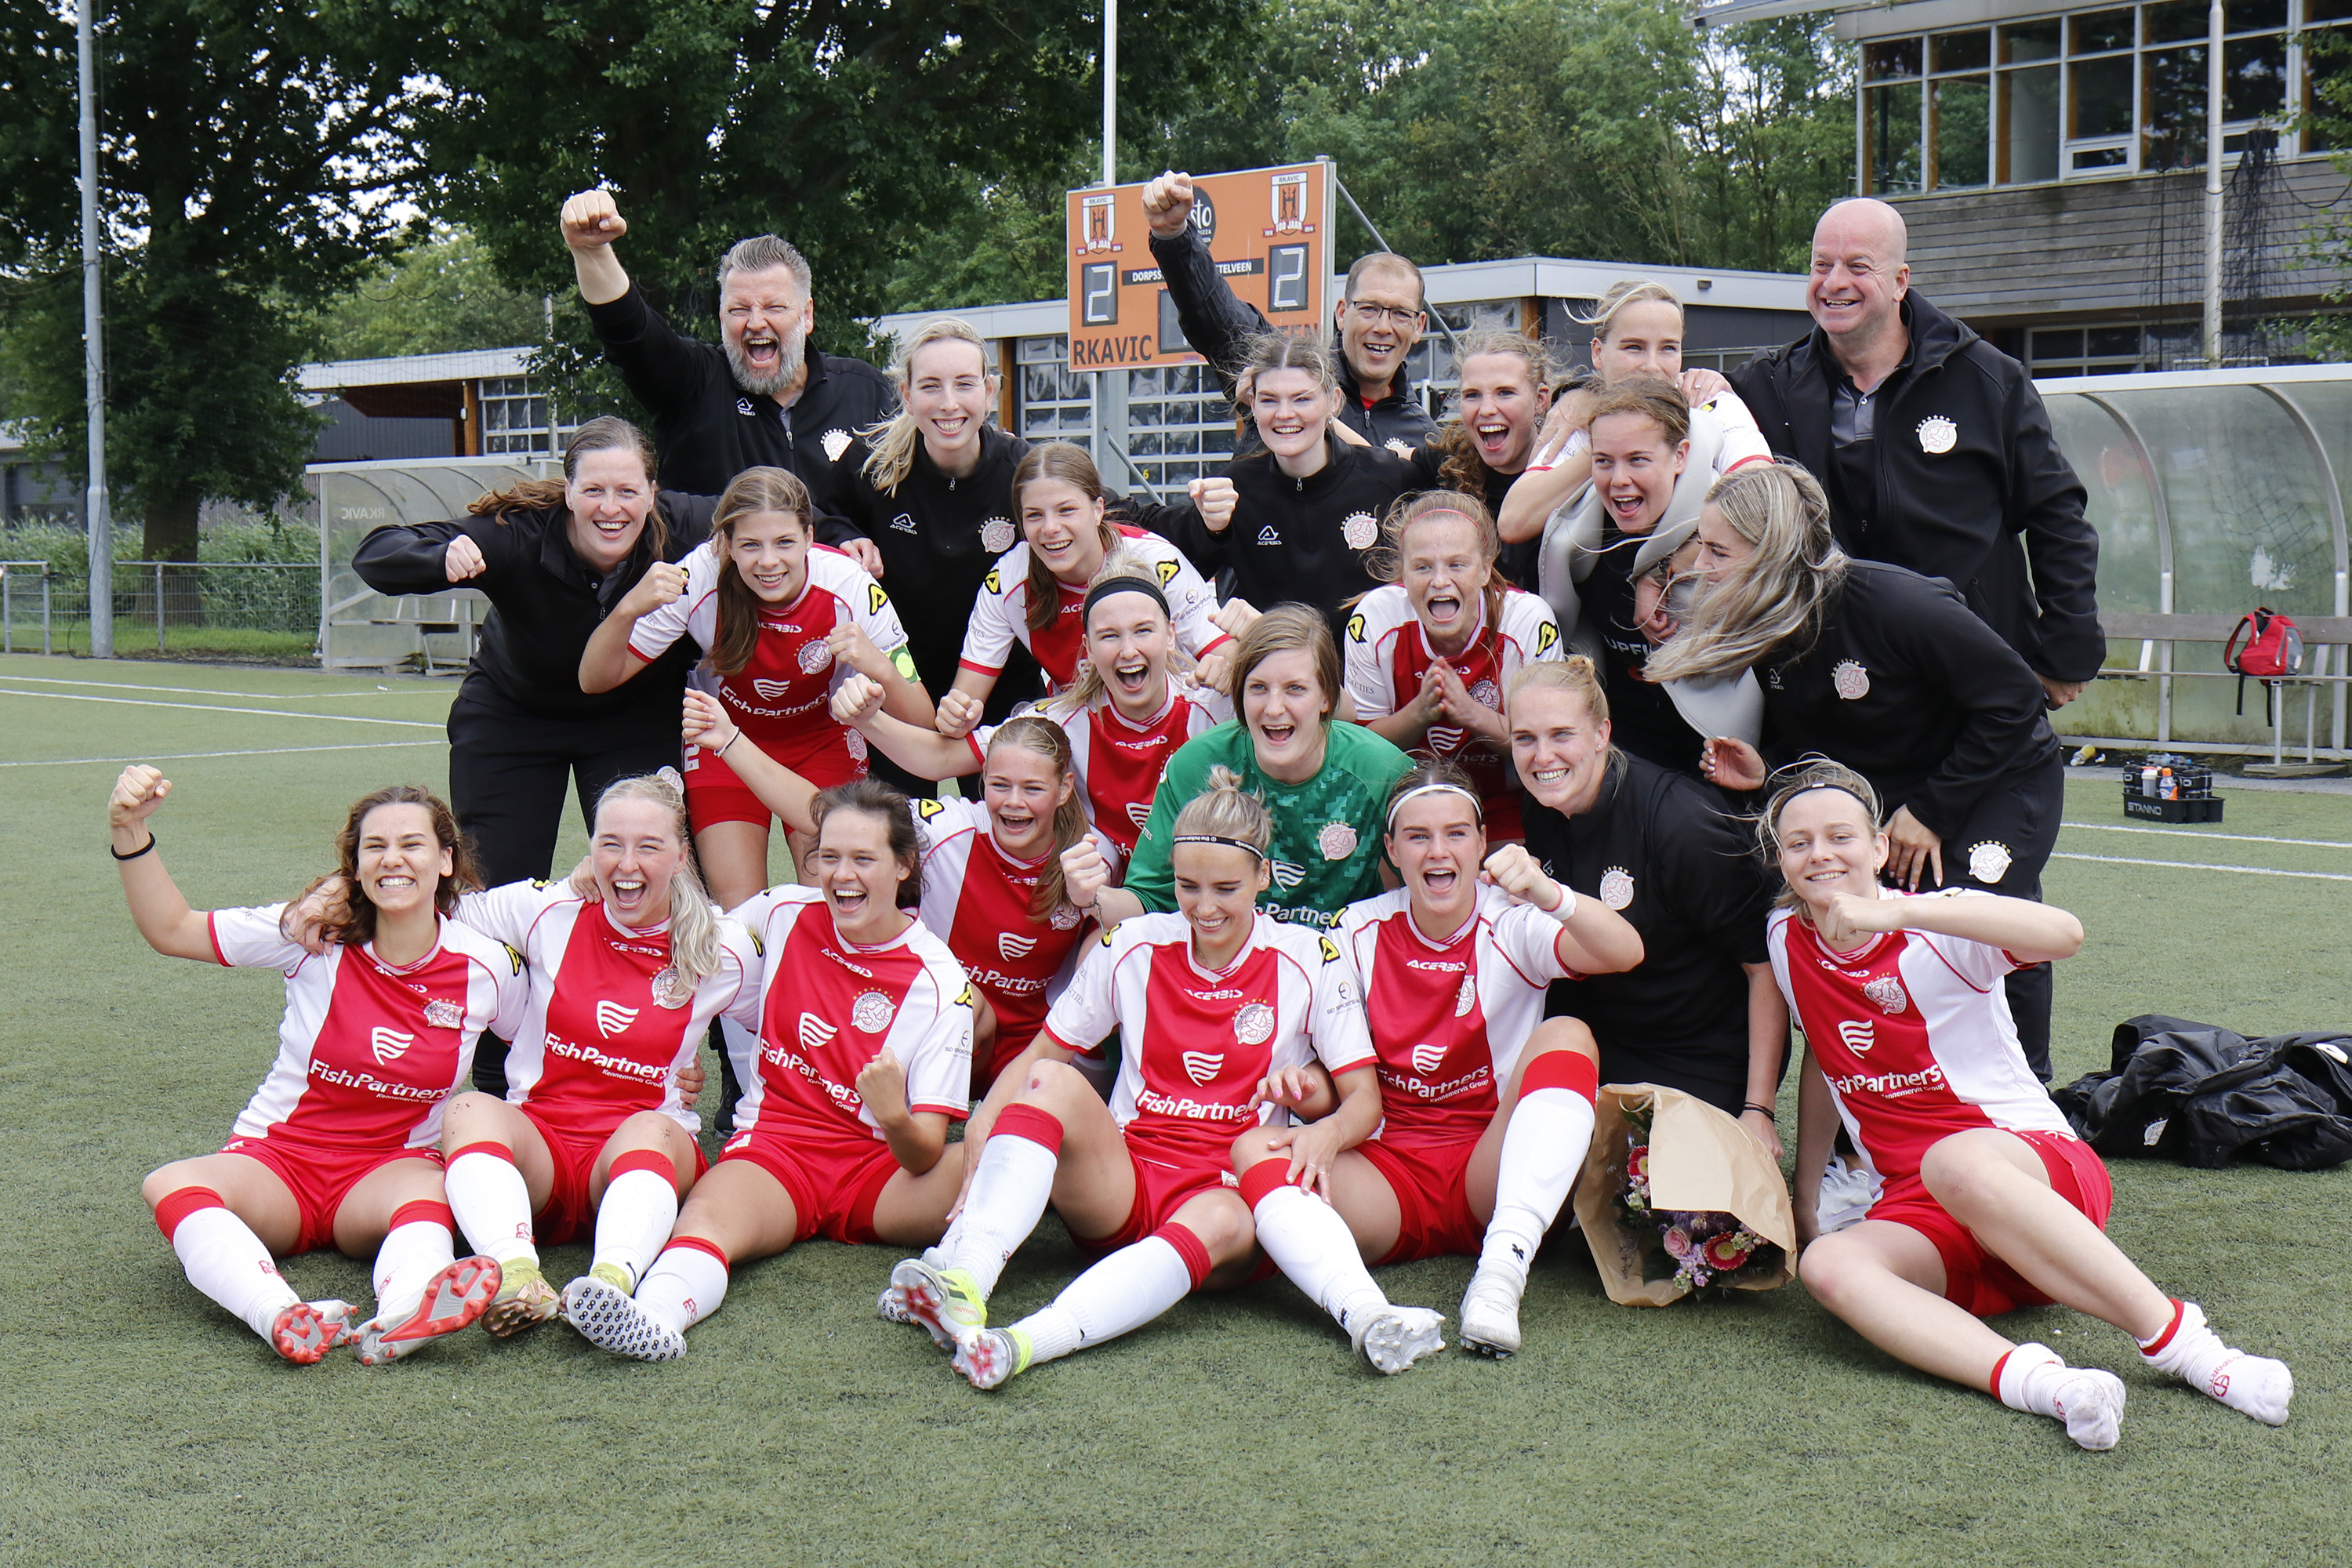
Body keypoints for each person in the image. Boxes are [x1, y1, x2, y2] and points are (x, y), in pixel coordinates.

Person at [1764, 760, 2290, 1450]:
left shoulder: (1938, 928)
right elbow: (1828, 1058)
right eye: (1799, 843)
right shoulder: (1784, 938)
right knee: (1829, 1266)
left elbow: (2064, 934)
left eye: (1841, 836)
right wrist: (1807, 1199)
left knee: (1954, 1161)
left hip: (2034, 1174)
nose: (1821, 854)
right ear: (1781, 859)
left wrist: (1902, 908)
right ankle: (2050, 1387)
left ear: (1879, 846)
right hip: (1928, 1210)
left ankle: (2187, 1347)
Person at [885, 768, 1389, 1386]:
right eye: (1187, 886)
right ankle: (966, 1277)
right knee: (1050, 1082)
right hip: (1123, 1181)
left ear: (1263, 876)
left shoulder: (1311, 957)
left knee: (1223, 1220)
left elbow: (1365, 1101)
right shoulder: (1131, 944)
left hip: (1229, 1190)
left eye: (1226, 888)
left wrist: (1325, 1131)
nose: (1204, 907)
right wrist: (983, 1127)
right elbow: (1043, 1055)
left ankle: (1026, 1343)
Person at [1650, 463, 2067, 1080]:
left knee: (1979, 923)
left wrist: (1932, 811)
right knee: (1876, 937)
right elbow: (1826, 738)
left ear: (1772, 553)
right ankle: (1900, 1098)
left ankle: (2027, 1099)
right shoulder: (1769, 622)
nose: (1700, 566)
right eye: (1701, 546)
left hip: (1998, 779)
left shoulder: (1896, 602)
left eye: (1718, 551)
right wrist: (1769, 771)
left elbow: (2015, 700)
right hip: (1897, 800)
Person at [1233, 764, 1643, 1363]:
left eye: (1456, 833)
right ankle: (1366, 1314)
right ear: (1392, 849)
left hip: (1494, 1170)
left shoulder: (1510, 918)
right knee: (1256, 1150)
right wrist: (1306, 1089)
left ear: (1482, 843)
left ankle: (1500, 1276)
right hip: (1388, 1176)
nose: (1438, 851)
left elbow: (1625, 951)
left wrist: (1546, 892)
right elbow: (1341, 1077)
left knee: (1569, 1034)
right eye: (1418, 836)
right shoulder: (1354, 932)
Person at [561, 781, 977, 1362]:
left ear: (904, 865)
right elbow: (686, 938)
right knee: (704, 1219)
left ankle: (950, 1278)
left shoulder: (941, 981)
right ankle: (654, 1318)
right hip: (777, 1153)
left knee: (1002, 1154)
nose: (842, 875)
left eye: (863, 859)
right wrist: (591, 878)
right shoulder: (781, 912)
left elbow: (924, 1153)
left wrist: (892, 1114)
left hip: (879, 1175)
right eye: (829, 857)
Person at [119, 771, 524, 1365]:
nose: (393, 859)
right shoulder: (310, 935)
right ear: (354, 866)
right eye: (375, 846)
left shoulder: (487, 966)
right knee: (171, 1184)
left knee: (432, 1191)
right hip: (281, 1161)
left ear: (445, 860)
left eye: (412, 844)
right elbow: (173, 929)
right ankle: (279, 1313)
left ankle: (404, 1315)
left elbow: (540, 1046)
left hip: (389, 1169)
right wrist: (129, 830)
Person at [1727, 198, 2102, 708]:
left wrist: (2067, 650)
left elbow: (2057, 516)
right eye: (1821, 265)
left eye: (1858, 266)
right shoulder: (1766, 386)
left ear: (1900, 281)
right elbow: (1668, 449)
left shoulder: (1987, 381)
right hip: (1830, 682)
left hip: (1969, 677)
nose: (1834, 282)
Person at [430, 773, 759, 1338]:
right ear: (590, 851)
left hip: (640, 1153)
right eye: (611, 845)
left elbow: (775, 1025)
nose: (627, 864)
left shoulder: (721, 947)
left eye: (648, 847)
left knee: (651, 1127)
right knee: (468, 1109)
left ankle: (609, 1287)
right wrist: (336, 896)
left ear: (682, 856)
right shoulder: (549, 908)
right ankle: (517, 1276)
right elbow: (437, 911)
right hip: (544, 1153)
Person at [353, 417, 716, 894]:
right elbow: (376, 553)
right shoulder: (515, 534)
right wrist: (439, 557)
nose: (611, 508)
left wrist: (822, 553)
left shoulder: (687, 527)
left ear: (652, 494)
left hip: (637, 716)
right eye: (593, 490)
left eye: (628, 492)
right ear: (569, 493)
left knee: (661, 880)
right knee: (498, 886)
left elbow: (782, 516)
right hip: (515, 715)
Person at [703, 697, 1103, 1096]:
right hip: (941, 1026)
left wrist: (1095, 900)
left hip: (1038, 1046)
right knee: (968, 1003)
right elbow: (821, 813)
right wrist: (729, 740)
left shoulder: (1089, 855)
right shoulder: (947, 829)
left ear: (1065, 788)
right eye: (1000, 785)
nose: (1014, 802)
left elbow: (1117, 938)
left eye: (1032, 788)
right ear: (982, 779)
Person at [577, 464, 931, 904]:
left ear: (809, 535)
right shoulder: (700, 576)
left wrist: (878, 665)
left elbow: (922, 718)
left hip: (823, 741)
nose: (768, 562)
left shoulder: (849, 584)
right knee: (738, 913)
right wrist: (628, 608)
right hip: (724, 745)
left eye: (784, 542)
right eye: (750, 545)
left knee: (832, 902)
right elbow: (594, 679)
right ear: (726, 544)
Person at [1507, 659, 1788, 1138]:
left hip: (1700, 1052)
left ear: (1602, 733)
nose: (1542, 756)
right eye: (1525, 739)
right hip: (1602, 1036)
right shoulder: (1542, 808)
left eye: (1561, 735)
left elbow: (1764, 965)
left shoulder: (1678, 823)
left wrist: (1758, 1108)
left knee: (1658, 1188)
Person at [559, 187, 891, 568]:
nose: (756, 322)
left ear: (807, 315)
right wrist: (593, 252)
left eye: (774, 307)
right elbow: (630, 333)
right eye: (739, 309)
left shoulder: (865, 392)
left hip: (837, 602)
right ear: (721, 317)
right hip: (710, 600)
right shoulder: (693, 383)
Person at [833, 574, 1232, 862]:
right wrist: (868, 721)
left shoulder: (1216, 705)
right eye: (1109, 636)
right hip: (1106, 896)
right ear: (1088, 648)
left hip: (1207, 892)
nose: (1128, 650)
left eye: (1143, 631)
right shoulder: (1061, 720)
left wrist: (1245, 655)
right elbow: (939, 759)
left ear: (1171, 635)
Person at [1105, 606, 1414, 931]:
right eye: (1258, 688)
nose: (1274, 708)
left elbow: (1426, 888)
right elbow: (1148, 899)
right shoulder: (1197, 765)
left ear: (1326, 698)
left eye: (1295, 689)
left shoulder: (1381, 771)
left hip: (1340, 954)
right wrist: (1091, 898)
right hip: (1224, 952)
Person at [828, 318, 1046, 746]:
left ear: (989, 393)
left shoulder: (1024, 471)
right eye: (931, 386)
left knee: (1011, 788)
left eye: (964, 385)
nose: (949, 404)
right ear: (908, 396)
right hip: (897, 679)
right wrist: (844, 537)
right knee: (888, 794)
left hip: (1004, 682)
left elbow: (1104, 513)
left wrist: (1194, 524)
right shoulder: (872, 464)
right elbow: (819, 516)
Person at [1142, 170, 1438, 453]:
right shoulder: (1283, 375)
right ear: (1342, 313)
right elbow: (1218, 318)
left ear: (1419, 326)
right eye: (1369, 308)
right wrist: (1174, 235)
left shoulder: (1427, 441)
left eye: (1400, 313)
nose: (1383, 327)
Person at [1165, 335, 1428, 637]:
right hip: (1277, 665)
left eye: (1302, 399)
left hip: (1368, 667)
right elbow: (1170, 569)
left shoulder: (1388, 478)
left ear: (1334, 401)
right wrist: (1209, 531)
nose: (1285, 414)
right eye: (1269, 400)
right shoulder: (1237, 489)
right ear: (1252, 404)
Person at [1496, 280, 1773, 559]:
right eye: (1634, 347)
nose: (1652, 366)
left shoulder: (1710, 403)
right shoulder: (1580, 418)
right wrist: (1605, 447)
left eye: (1668, 348)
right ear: (1598, 353)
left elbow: (1764, 503)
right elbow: (1512, 521)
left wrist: (1689, 550)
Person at [948, 442, 1230, 713]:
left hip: (1173, 717)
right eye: (1034, 515)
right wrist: (957, 714)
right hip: (1081, 726)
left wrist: (1221, 669)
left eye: (1066, 510)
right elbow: (966, 699)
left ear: (1098, 510)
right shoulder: (1009, 579)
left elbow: (1230, 657)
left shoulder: (1155, 560)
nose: (1050, 528)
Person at [1342, 492, 1561, 840]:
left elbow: (1550, 745)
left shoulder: (1527, 621)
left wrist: (1471, 714)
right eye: (1422, 567)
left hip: (1506, 799)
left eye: (1457, 565)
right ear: (1403, 574)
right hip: (1405, 798)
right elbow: (1359, 749)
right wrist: (1419, 713)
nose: (1440, 581)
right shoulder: (1375, 619)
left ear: (1485, 569)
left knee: (1507, 873)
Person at [1425, 331, 1557, 587]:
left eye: (1505, 393)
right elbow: (1368, 458)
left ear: (1541, 399)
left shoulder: (1568, 461)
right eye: (1472, 395)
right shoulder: (1447, 464)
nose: (1486, 409)